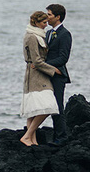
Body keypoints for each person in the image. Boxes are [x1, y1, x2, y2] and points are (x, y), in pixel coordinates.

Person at [19, 11, 61, 146]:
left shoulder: (38, 35)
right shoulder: (32, 37)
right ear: (36, 23)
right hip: (36, 76)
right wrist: (53, 70)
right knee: (49, 106)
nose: (46, 25)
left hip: (38, 74)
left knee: (34, 109)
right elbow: (36, 61)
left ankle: (32, 140)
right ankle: (27, 136)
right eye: (43, 23)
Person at [44, 3, 72, 145]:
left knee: (57, 105)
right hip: (47, 74)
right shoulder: (48, 33)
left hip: (58, 75)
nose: (46, 17)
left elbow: (63, 57)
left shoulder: (65, 34)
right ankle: (55, 135)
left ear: (57, 17)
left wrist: (44, 65)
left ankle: (62, 137)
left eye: (49, 14)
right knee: (47, 104)